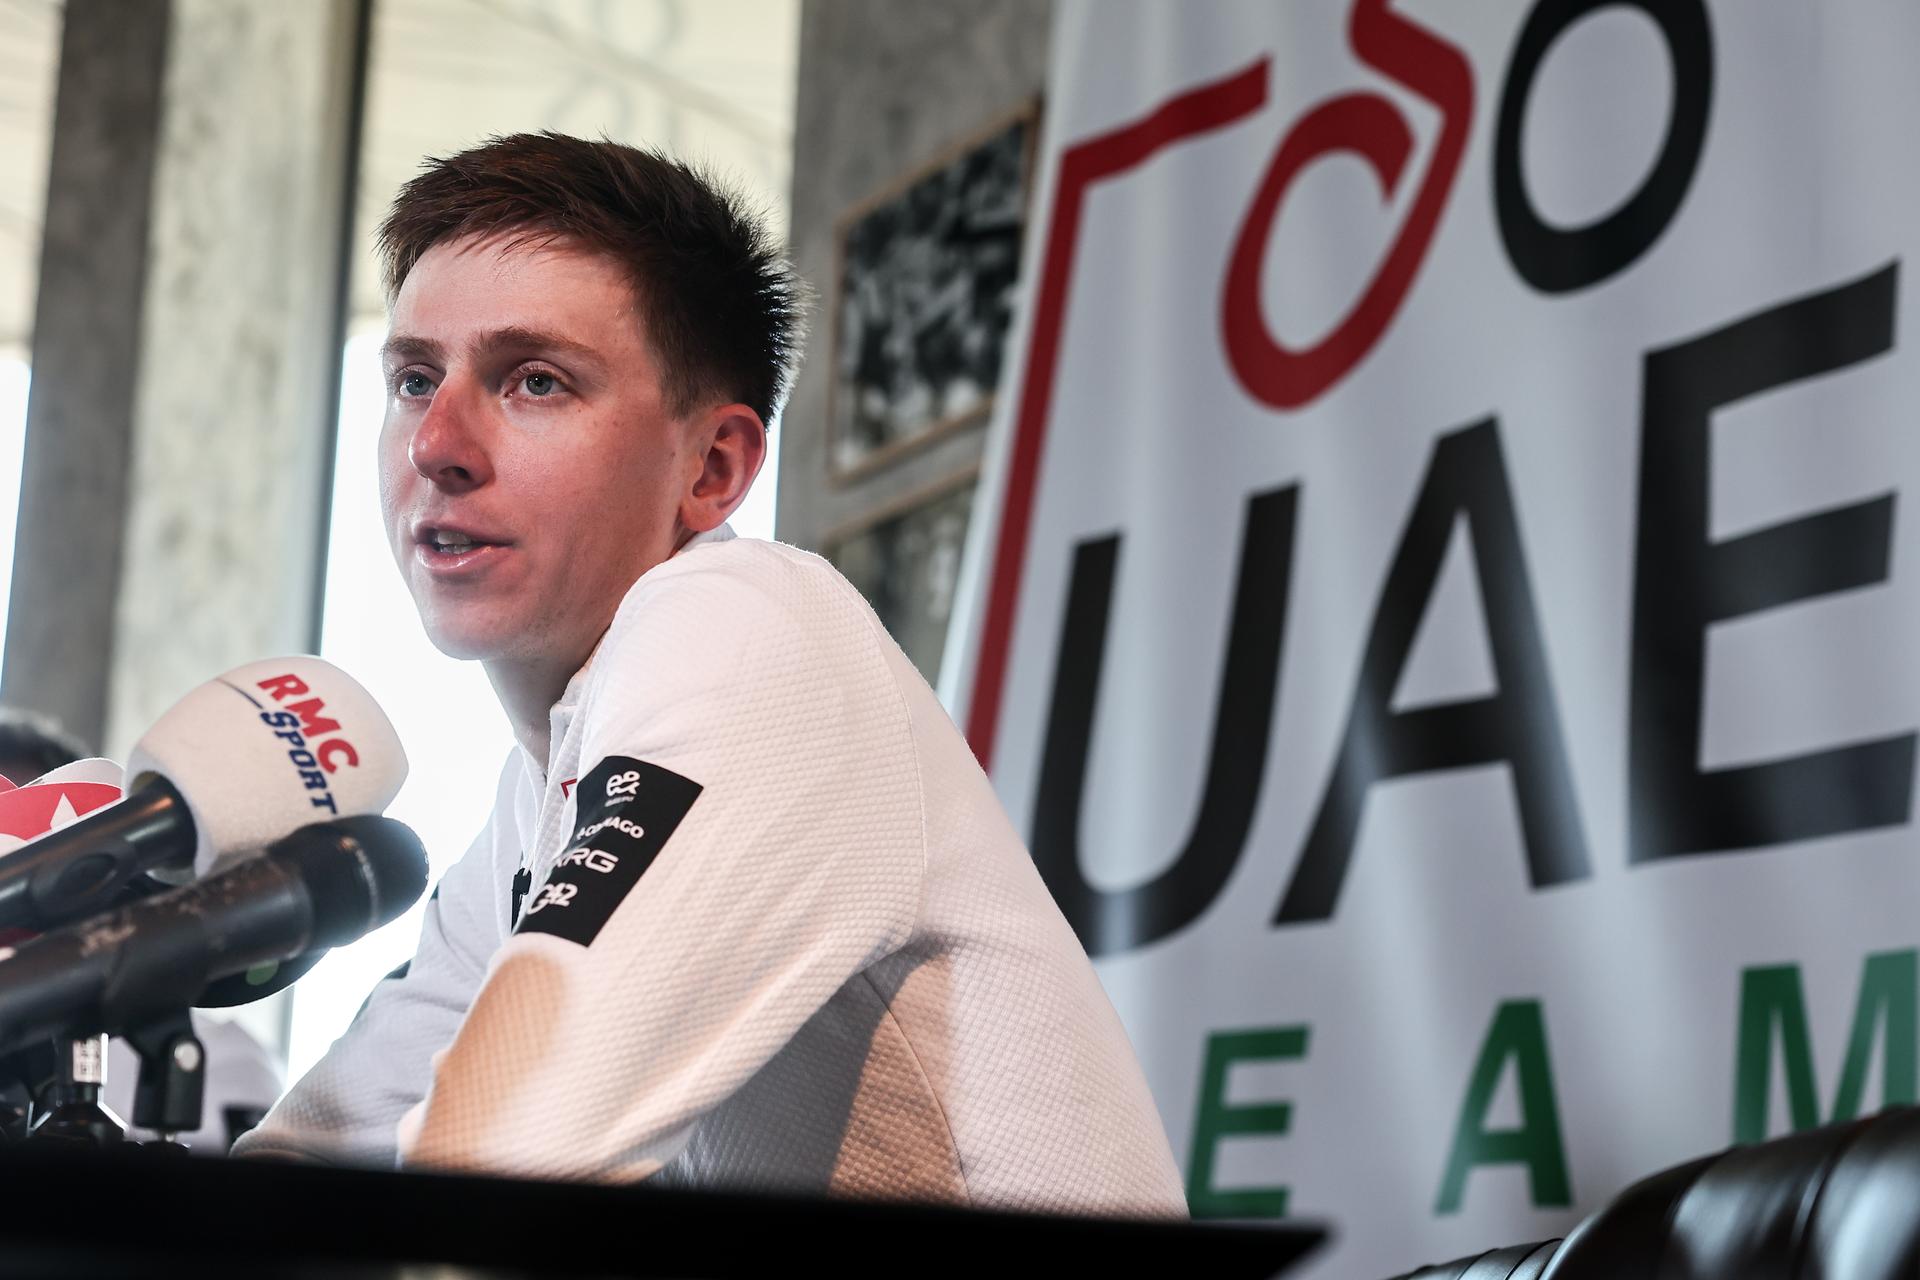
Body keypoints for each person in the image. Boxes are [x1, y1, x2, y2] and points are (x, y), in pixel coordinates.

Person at [237, 132, 1186, 1214]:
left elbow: (496, 1162)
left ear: (714, 467)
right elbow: (304, 1170)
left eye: (534, 381)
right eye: (414, 378)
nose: (438, 443)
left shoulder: (747, 630)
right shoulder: (528, 801)